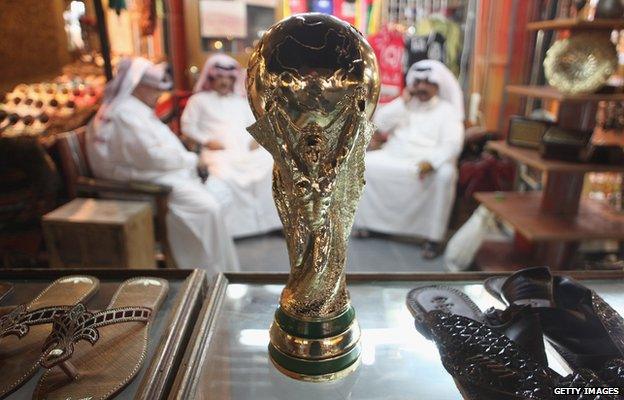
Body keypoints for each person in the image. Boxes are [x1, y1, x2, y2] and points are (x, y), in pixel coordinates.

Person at [86, 57, 239, 273]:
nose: (158, 94)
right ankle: (202, 273)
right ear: (137, 86)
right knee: (207, 207)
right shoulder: (124, 113)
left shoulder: (132, 109)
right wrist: (191, 160)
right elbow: (151, 156)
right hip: (139, 184)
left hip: (152, 174)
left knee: (222, 192)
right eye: (153, 89)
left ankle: (223, 269)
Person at [354, 59, 465, 259]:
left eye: (427, 83)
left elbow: (452, 144)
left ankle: (432, 238)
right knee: (366, 165)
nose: (422, 87)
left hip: (427, 160)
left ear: (437, 86)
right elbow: (380, 124)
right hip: (395, 155)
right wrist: (402, 102)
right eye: (418, 83)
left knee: (445, 175)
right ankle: (368, 225)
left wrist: (432, 162)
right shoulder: (406, 105)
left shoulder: (447, 111)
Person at [181, 54, 281, 238]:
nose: (224, 82)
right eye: (220, 77)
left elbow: (255, 124)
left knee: (272, 165)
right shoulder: (199, 101)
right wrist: (205, 141)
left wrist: (256, 140)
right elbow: (188, 127)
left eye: (228, 78)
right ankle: (237, 230)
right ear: (211, 78)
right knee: (224, 175)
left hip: (246, 151)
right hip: (219, 152)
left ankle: (271, 224)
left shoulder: (241, 101)